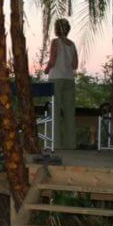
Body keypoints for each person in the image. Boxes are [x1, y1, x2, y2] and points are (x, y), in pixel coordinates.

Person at [43, 18, 78, 150]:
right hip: (69, 79)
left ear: (57, 29)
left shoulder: (55, 42)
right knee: (69, 112)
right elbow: (75, 65)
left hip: (56, 79)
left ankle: (55, 143)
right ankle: (71, 144)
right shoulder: (72, 44)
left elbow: (52, 60)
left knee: (54, 111)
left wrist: (46, 70)